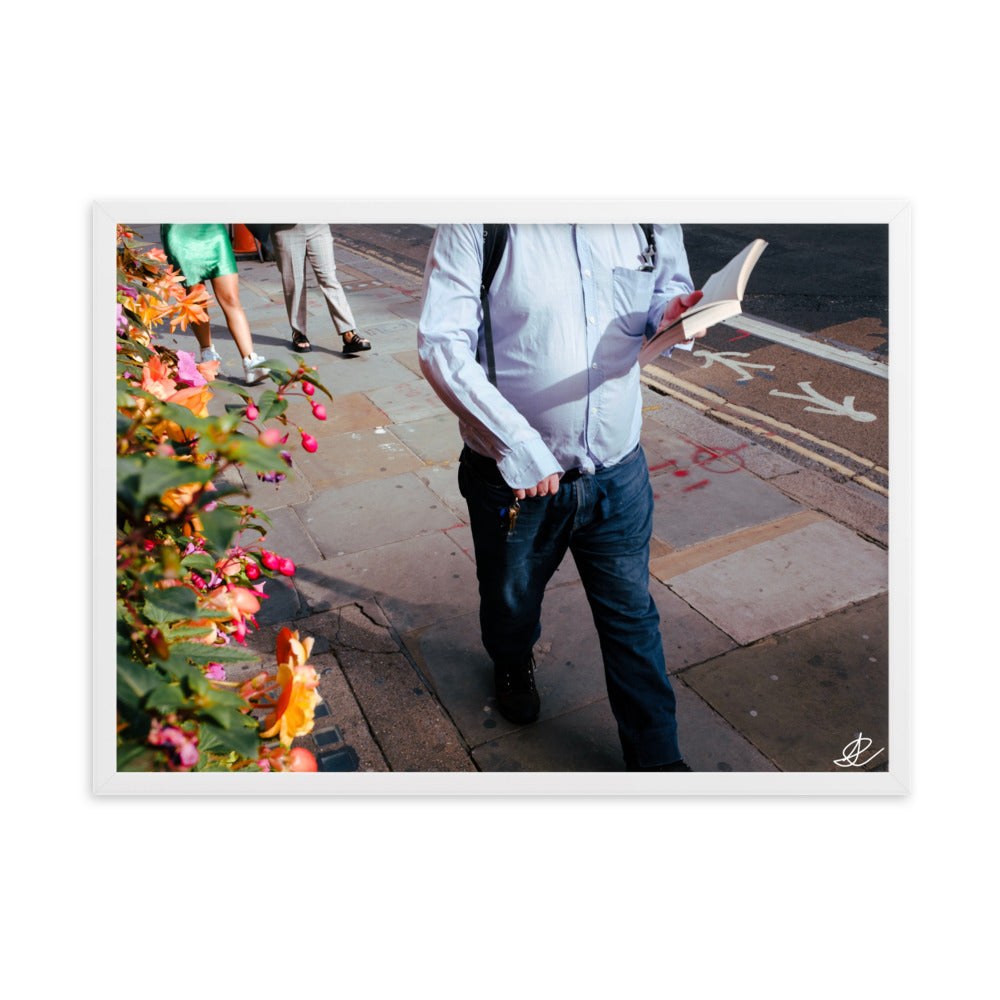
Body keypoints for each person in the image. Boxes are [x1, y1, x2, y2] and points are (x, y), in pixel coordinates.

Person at [417, 223, 706, 772]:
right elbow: (441, 344)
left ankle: (658, 763)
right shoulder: (479, 220)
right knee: (510, 603)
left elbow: (666, 287)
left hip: (618, 471)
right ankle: (510, 657)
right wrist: (517, 444)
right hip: (517, 483)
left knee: (632, 618)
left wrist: (672, 314)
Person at [159, 223, 267, 385]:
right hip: (179, 229)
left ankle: (250, 360)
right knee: (196, 296)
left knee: (230, 297)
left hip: (212, 227)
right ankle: (207, 352)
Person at [269, 224, 370, 355]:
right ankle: (298, 333)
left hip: (318, 225)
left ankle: (348, 333)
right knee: (294, 282)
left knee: (329, 279)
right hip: (286, 229)